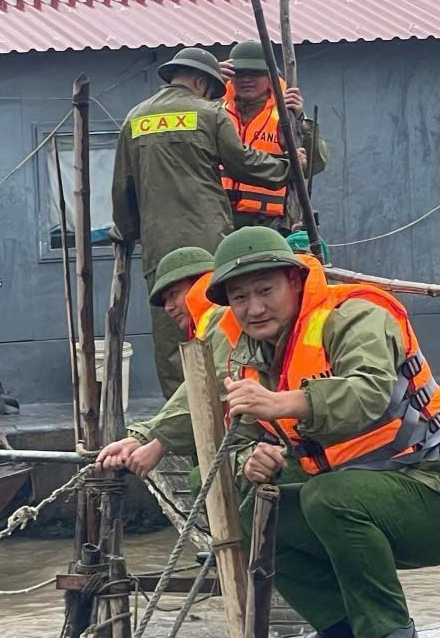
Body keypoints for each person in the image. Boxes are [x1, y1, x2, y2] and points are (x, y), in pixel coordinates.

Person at [202, 226, 440, 638]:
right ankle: (340, 624)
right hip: (360, 491)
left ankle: (389, 630)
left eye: (265, 290)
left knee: (327, 496)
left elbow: (367, 392)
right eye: (239, 298)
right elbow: (239, 437)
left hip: (436, 490)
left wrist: (283, 402)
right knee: (254, 508)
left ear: (294, 281)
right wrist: (254, 459)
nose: (253, 308)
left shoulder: (356, 315)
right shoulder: (254, 353)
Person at [111, 46, 304, 400]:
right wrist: (289, 167)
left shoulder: (134, 118)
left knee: (174, 340)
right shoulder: (209, 113)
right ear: (201, 82)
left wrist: (127, 233)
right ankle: (229, 406)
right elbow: (243, 163)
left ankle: (182, 423)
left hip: (160, 248)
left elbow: (123, 190)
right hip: (209, 245)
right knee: (220, 328)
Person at [96, 247, 240, 478]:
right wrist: (142, 436)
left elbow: (214, 382)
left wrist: (156, 440)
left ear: (200, 284)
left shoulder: (222, 316)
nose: (168, 307)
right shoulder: (208, 324)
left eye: (173, 293)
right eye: (164, 301)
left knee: (203, 480)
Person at [219, 40, 329, 232]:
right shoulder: (214, 110)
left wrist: (301, 123)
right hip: (220, 219)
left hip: (269, 223)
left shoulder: (286, 115)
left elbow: (314, 165)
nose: (246, 79)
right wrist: (208, 83)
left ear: (271, 77)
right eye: (240, 73)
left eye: (256, 73)